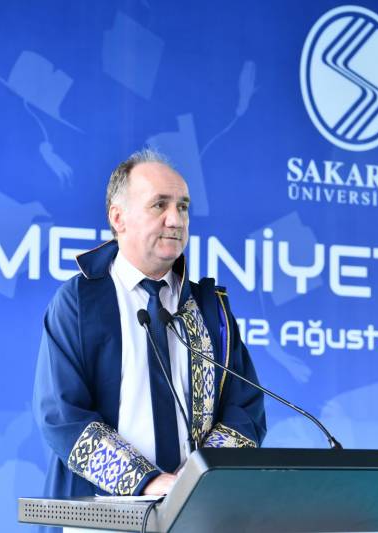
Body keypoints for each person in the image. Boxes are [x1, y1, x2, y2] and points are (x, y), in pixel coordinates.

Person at [33, 149, 266, 499]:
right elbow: (62, 414)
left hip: (195, 510)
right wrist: (147, 482)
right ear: (118, 218)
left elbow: (245, 408)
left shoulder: (209, 309)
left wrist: (199, 477)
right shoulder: (80, 302)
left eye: (183, 207)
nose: (176, 220)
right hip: (99, 511)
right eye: (159, 205)